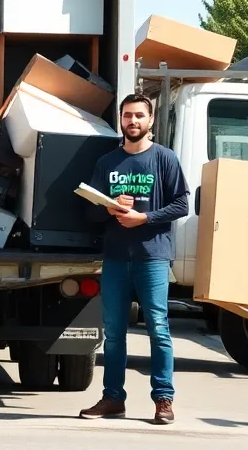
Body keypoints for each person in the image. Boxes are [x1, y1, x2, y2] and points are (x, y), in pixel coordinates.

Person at [78, 93, 189, 425]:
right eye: (127, 116)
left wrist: (146, 218)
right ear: (121, 120)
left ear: (151, 120)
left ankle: (163, 400)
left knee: (158, 328)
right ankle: (113, 399)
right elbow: (89, 212)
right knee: (113, 333)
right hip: (115, 258)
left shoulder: (165, 159)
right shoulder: (107, 162)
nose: (133, 121)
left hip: (152, 257)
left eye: (139, 115)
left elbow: (183, 205)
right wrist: (108, 207)